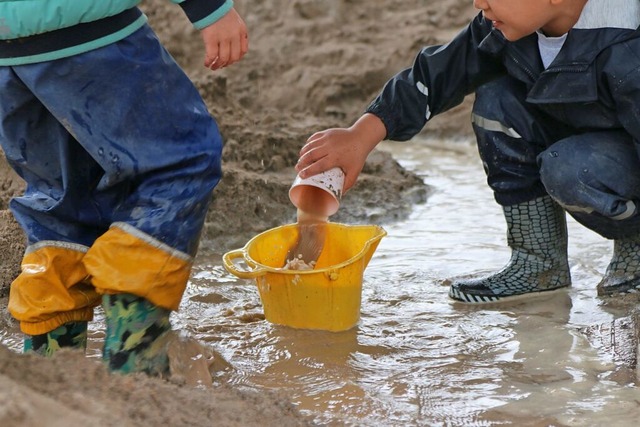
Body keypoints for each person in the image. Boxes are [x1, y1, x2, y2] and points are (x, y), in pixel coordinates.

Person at [295, 0, 640, 304]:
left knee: (569, 169)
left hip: (617, 158)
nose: (479, 3)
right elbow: (441, 72)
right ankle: (538, 262)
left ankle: (635, 249)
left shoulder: (627, 42)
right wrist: (360, 136)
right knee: (496, 101)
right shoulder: (510, 22)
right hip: (585, 134)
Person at [0, 0, 248, 375]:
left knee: (63, 198)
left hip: (7, 53)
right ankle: (132, 353)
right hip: (89, 30)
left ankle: (50, 367)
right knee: (182, 162)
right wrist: (209, 8)